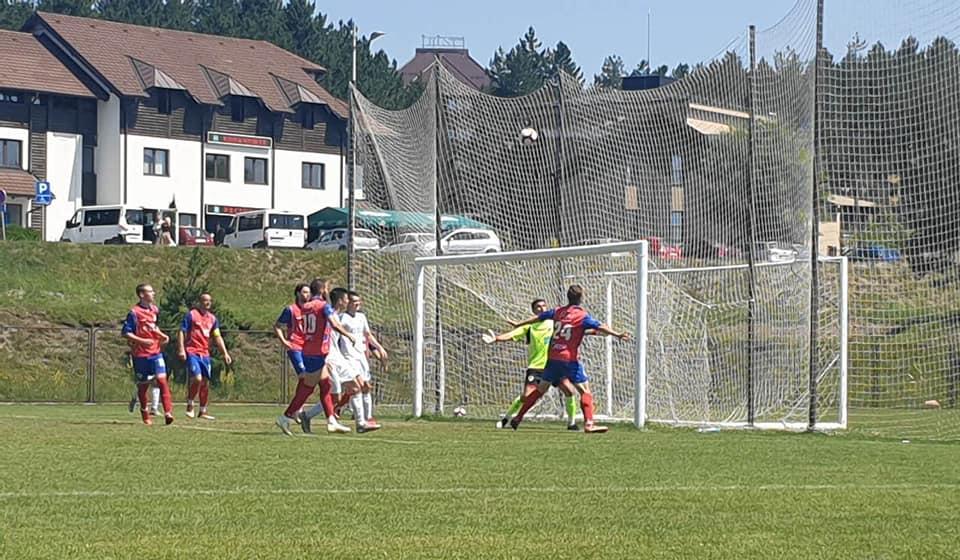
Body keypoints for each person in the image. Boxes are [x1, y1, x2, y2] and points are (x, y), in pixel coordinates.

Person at [508, 285, 630, 434]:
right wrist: (617, 334)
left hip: (552, 357)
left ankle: (518, 417)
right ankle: (589, 424)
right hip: (569, 360)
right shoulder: (582, 315)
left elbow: (539, 317)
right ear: (581, 298)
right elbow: (601, 327)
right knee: (585, 390)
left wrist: (517, 323)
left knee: (540, 390)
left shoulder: (557, 311)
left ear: (568, 297)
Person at [483, 298, 580, 431]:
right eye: (538, 307)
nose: (542, 308)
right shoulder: (529, 327)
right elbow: (511, 335)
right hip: (536, 367)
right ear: (534, 310)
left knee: (569, 391)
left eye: (544, 306)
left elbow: (571, 330)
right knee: (527, 395)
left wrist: (593, 331)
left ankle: (572, 423)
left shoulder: (554, 324)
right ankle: (507, 418)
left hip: (554, 365)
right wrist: (496, 339)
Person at [276, 284, 355, 436]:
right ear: (323, 290)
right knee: (308, 388)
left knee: (326, 385)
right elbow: (334, 323)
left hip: (312, 350)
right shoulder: (323, 306)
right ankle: (285, 417)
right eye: (326, 287)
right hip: (316, 352)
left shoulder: (306, 306)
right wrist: (348, 334)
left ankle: (331, 420)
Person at [301, 288, 380, 434]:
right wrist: (348, 337)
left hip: (338, 357)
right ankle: (307, 415)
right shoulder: (330, 314)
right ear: (340, 301)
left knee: (355, 387)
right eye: (346, 299)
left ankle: (361, 423)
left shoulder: (336, 314)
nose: (347, 302)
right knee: (335, 396)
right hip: (329, 358)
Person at [332, 291, 387, 428]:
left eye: (359, 301)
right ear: (348, 303)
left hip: (361, 357)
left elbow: (367, 335)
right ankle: (364, 419)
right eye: (354, 301)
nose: (358, 304)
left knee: (365, 387)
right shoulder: (341, 318)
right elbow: (336, 338)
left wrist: (379, 347)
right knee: (360, 387)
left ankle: (343, 409)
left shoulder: (362, 317)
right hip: (348, 357)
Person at [122, 283, 173, 425]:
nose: (154, 293)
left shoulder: (154, 310)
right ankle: (145, 413)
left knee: (162, 381)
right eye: (150, 291)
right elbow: (126, 333)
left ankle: (168, 413)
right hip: (141, 355)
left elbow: (153, 328)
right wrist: (142, 341)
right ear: (142, 295)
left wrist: (163, 336)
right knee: (143, 385)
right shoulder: (134, 312)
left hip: (156, 353)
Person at [177, 292, 232, 420]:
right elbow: (182, 331)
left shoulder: (212, 319)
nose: (208, 303)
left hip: (205, 353)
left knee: (205, 382)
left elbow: (217, 337)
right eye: (205, 300)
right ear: (199, 302)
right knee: (197, 378)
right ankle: (190, 404)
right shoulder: (192, 315)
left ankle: (203, 410)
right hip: (192, 351)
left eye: (210, 301)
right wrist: (181, 349)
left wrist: (225, 353)